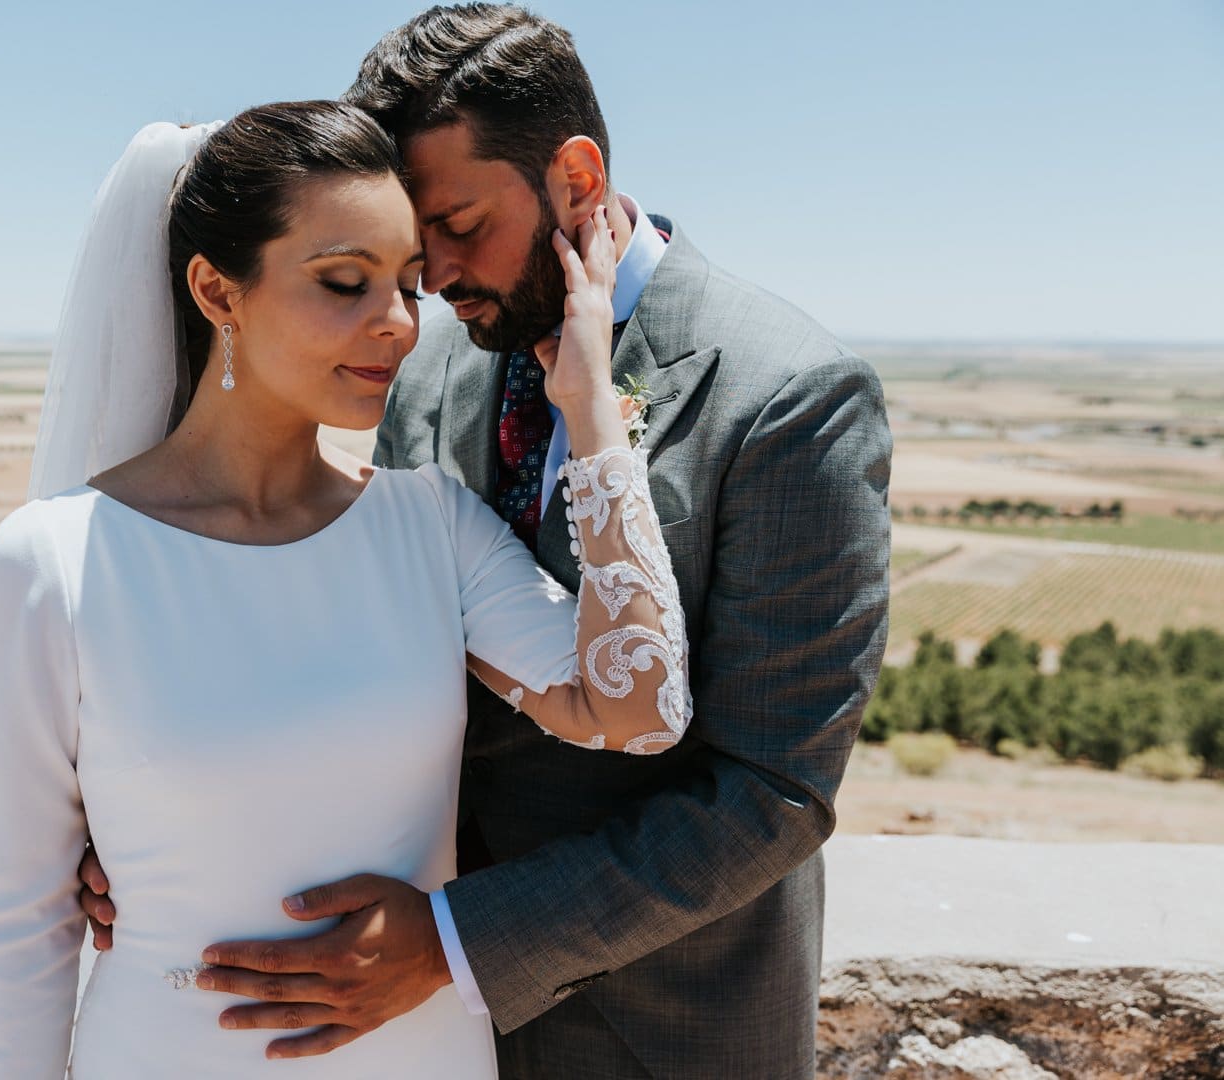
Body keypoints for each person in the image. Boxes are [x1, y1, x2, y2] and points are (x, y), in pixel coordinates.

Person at [76, 6, 893, 1078]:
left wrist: (461, 941)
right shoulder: (418, 365)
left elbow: (771, 791)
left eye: (459, 225)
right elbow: (335, 629)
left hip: (662, 1027)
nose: (432, 281)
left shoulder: (787, 395)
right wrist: (160, 821)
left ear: (577, 176)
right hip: (389, 1030)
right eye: (415, 243)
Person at [0, 100, 690, 1078]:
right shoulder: (53, 563)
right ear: (218, 291)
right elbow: (17, 935)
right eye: (345, 283)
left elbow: (642, 709)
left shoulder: (432, 526)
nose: (395, 325)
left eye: (410, 286)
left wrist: (595, 418)